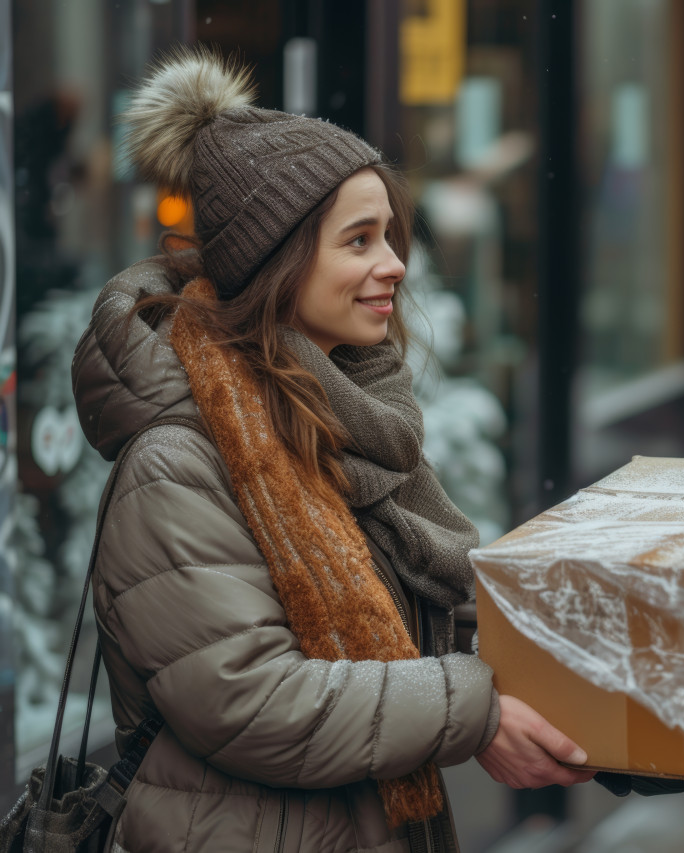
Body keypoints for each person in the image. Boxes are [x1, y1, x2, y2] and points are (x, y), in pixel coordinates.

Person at [71, 48, 593, 853]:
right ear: (276, 265)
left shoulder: (344, 421)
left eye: (389, 235)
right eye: (358, 240)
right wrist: (472, 709)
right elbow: (251, 701)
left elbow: (433, 621)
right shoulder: (179, 461)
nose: (393, 264)